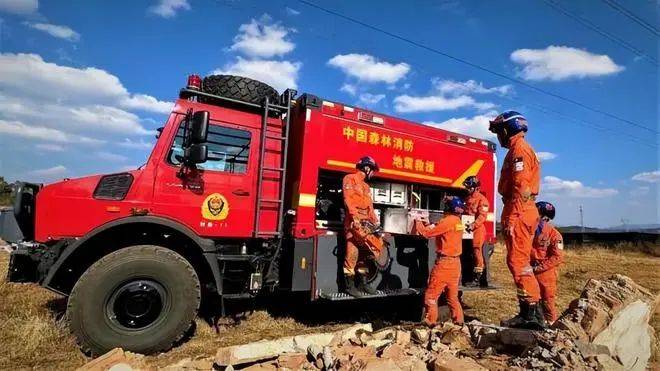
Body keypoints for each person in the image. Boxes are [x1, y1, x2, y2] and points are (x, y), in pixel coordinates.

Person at [488, 111, 545, 329]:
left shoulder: (519, 150)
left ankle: (530, 313)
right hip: (521, 209)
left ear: (507, 129)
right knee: (519, 261)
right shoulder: (518, 149)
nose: (498, 136)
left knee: (518, 262)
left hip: (519, 209)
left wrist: (513, 217)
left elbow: (522, 187)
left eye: (499, 131)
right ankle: (532, 312)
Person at [414, 196, 466, 327]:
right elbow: (439, 229)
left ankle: (430, 322)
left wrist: (417, 221)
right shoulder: (458, 222)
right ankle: (459, 323)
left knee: (431, 295)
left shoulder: (447, 221)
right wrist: (429, 223)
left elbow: (426, 233)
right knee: (452, 297)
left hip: (444, 264)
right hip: (455, 264)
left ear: (449, 207)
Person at [342, 156, 383, 297]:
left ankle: (363, 283)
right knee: (351, 254)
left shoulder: (366, 187)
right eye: (373, 170)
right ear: (367, 168)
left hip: (366, 226)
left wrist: (376, 223)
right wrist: (355, 218)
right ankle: (349, 286)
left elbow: (370, 207)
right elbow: (348, 200)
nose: (373, 173)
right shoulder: (349, 179)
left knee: (364, 256)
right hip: (354, 224)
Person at [532, 201, 563, 324]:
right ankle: (536, 323)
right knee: (530, 299)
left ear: (545, 217)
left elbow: (557, 257)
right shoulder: (530, 231)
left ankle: (551, 325)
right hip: (530, 270)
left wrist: (539, 268)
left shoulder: (554, 235)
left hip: (545, 274)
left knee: (547, 300)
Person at [463, 176, 489, 287]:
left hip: (477, 229)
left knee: (477, 252)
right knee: (469, 253)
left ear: (475, 187)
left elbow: (483, 216)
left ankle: (478, 279)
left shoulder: (482, 200)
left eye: (469, 187)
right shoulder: (468, 198)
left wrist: (473, 225)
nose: (467, 189)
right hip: (467, 229)